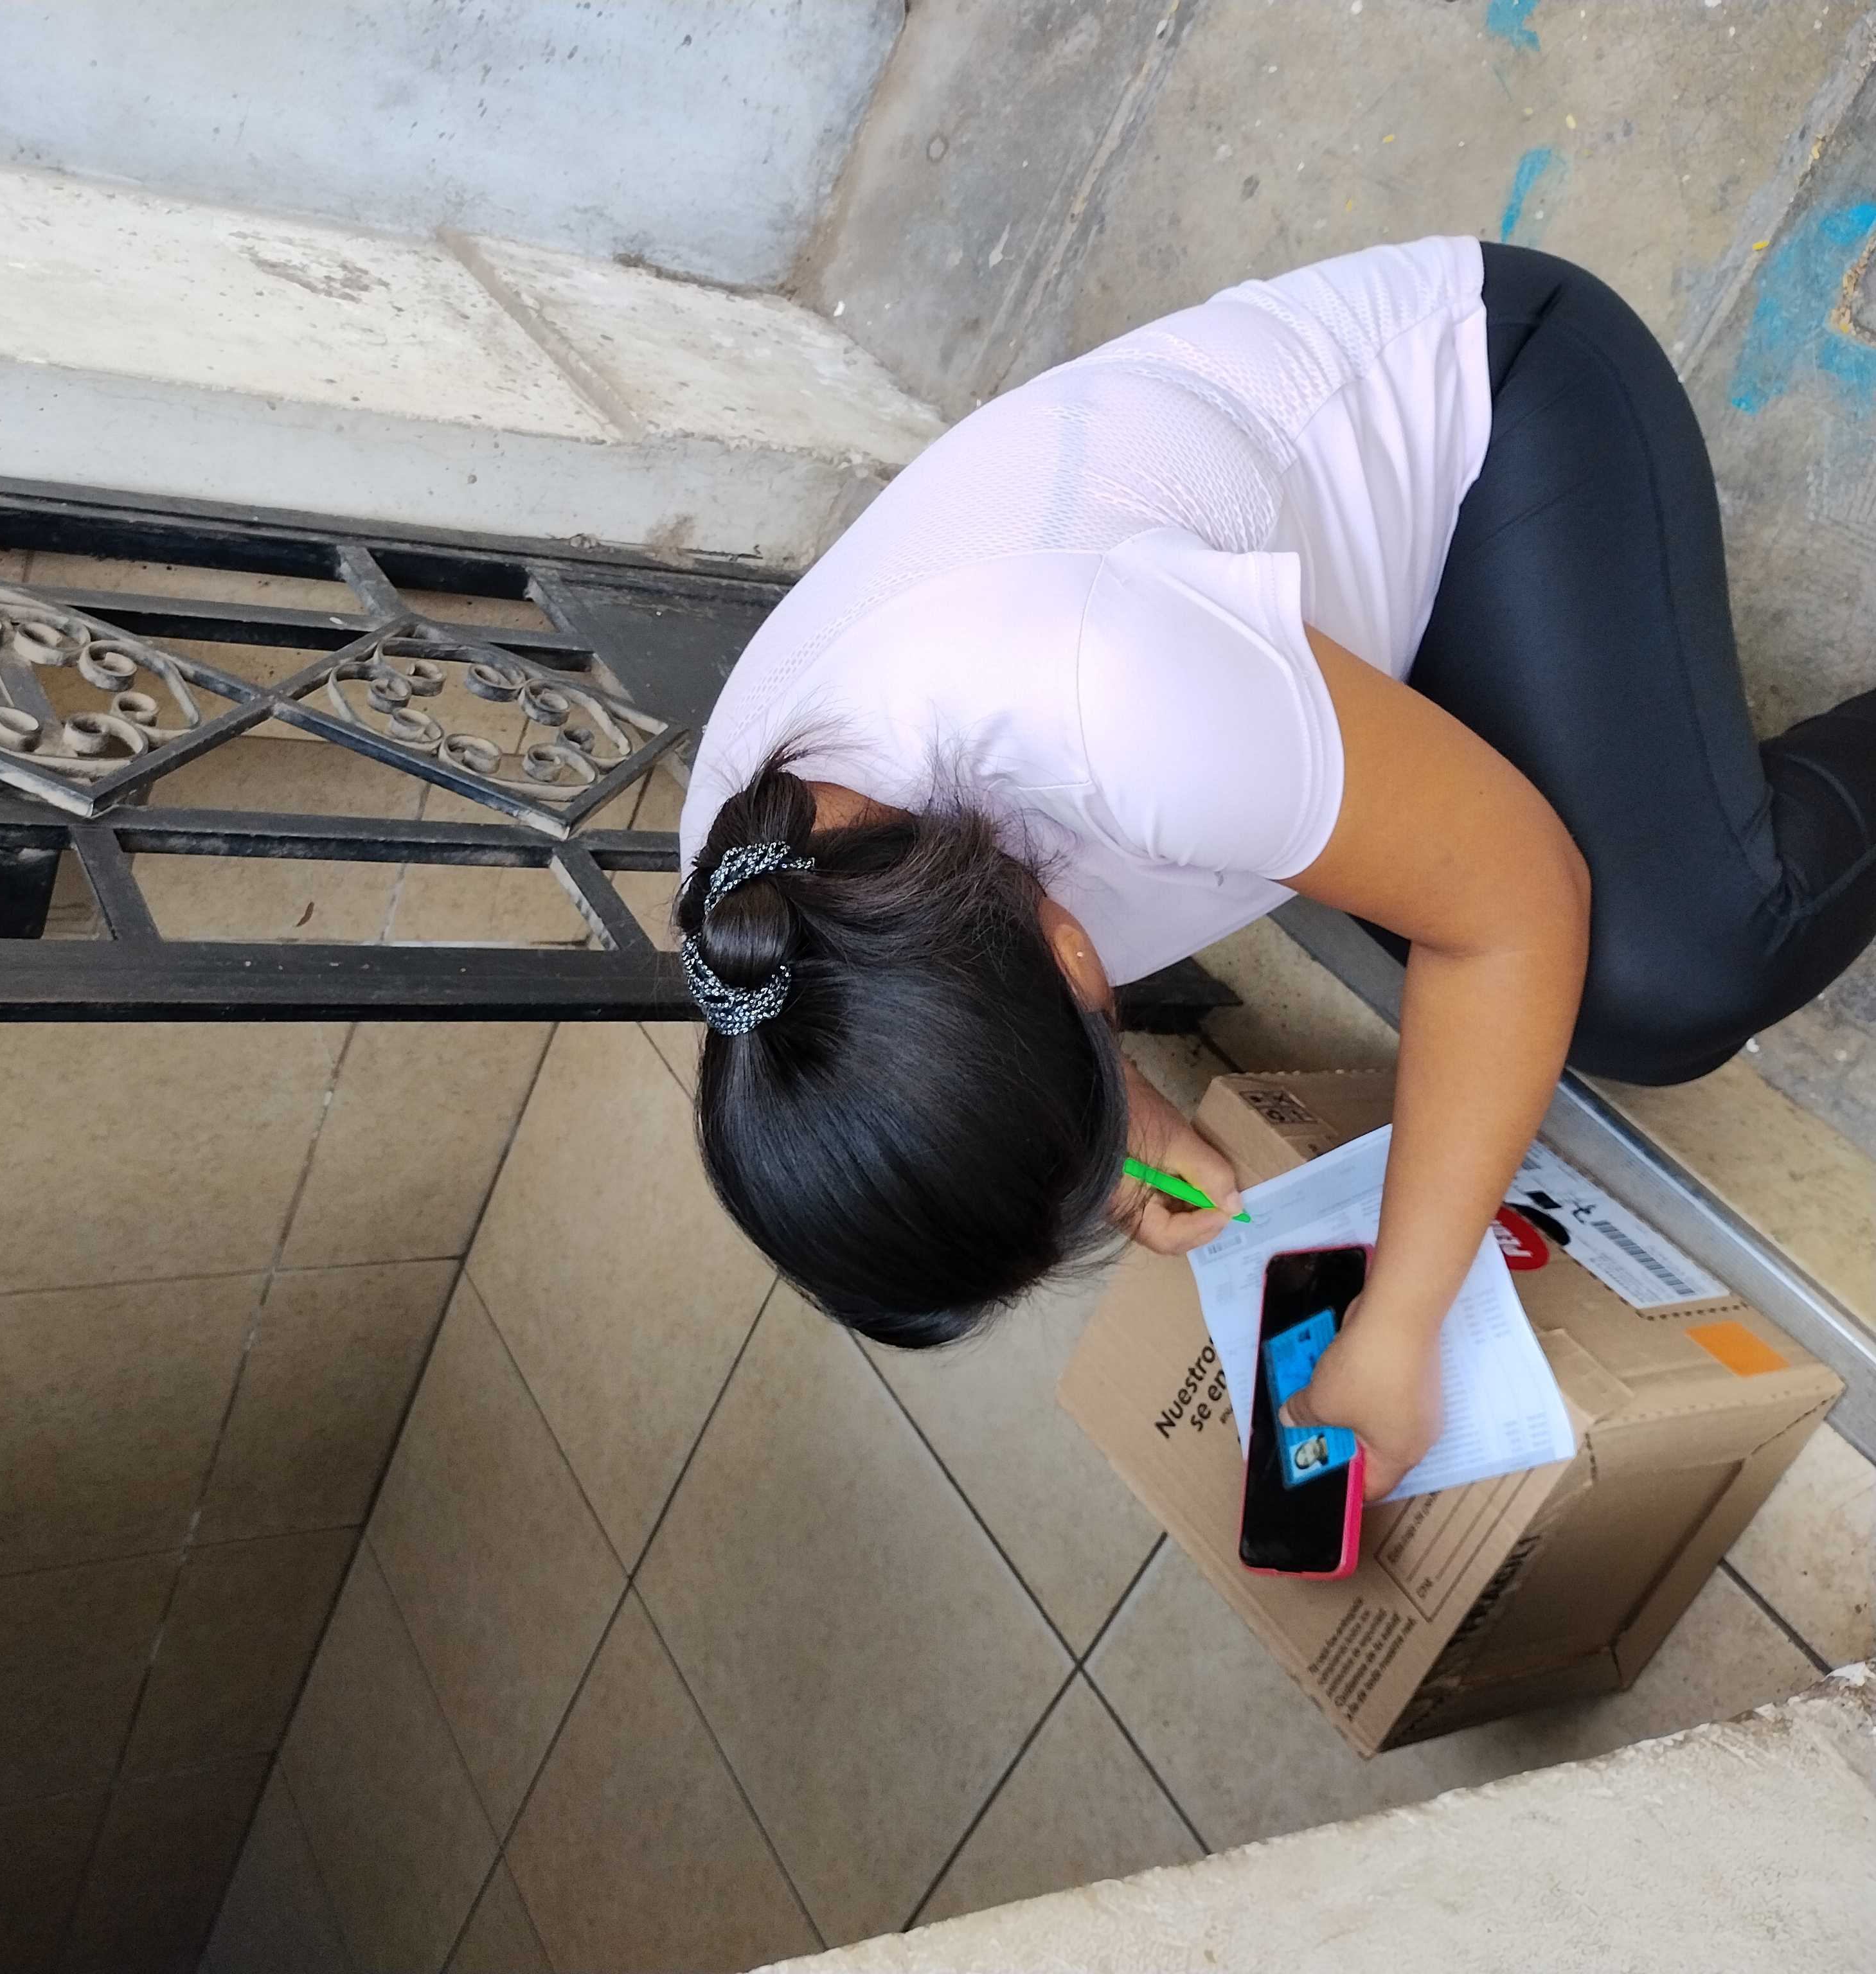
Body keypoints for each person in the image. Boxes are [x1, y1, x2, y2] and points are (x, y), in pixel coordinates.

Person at [675, 237, 1876, 1499]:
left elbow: (1519, 908)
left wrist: (1400, 1325)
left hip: (1500, 407)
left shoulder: (1106, 704)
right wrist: (1110, 1127)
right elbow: (911, 1024)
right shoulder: (763, 905)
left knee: (1669, 981)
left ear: (1073, 957)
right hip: (1283, 645)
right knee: (1489, 977)